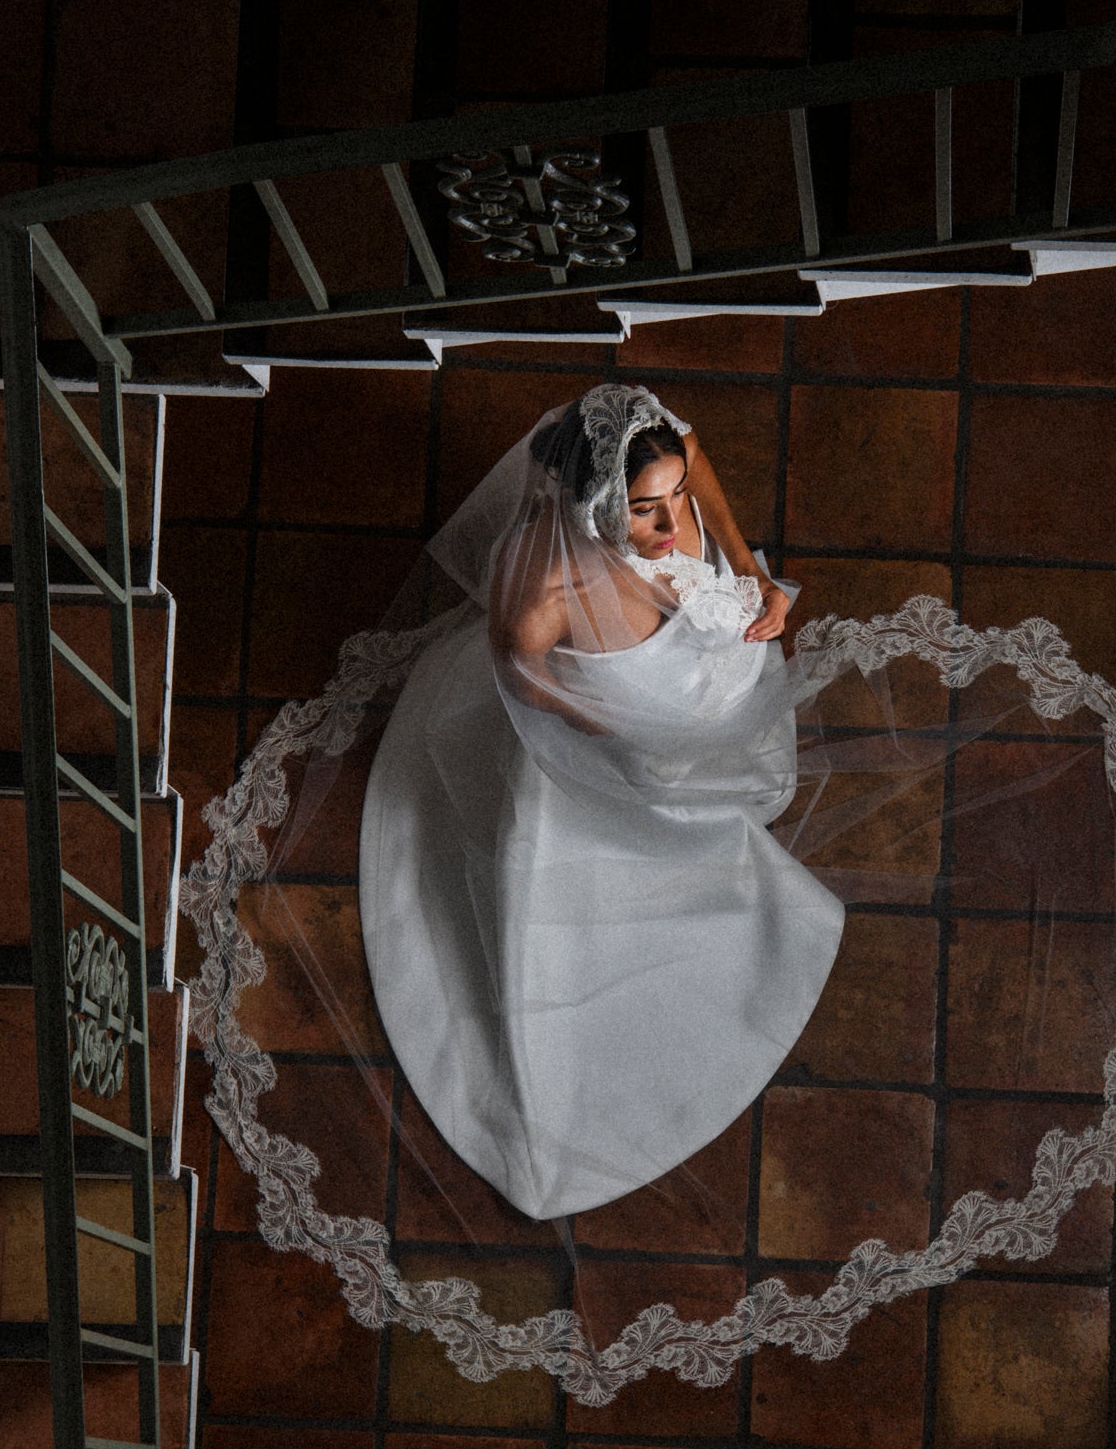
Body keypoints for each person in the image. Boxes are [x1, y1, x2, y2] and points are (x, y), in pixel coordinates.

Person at [356, 383, 846, 1221]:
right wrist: (616, 730)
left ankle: (721, 774)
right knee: (655, 813)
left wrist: (752, 573)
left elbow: (698, 466)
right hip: (626, 733)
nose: (669, 527)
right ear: (592, 506)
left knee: (726, 744)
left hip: (711, 670)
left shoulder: (667, 466)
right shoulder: (541, 593)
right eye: (647, 513)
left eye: (674, 499)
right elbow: (528, 683)